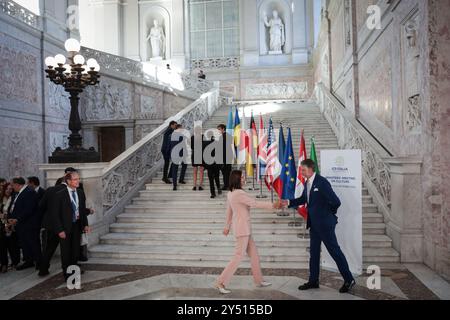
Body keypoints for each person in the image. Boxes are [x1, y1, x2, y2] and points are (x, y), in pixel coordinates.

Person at [279, 159, 356, 293]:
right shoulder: (308, 183)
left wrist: (328, 216)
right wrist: (288, 202)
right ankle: (313, 280)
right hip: (314, 225)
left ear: (310, 169)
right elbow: (304, 199)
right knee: (314, 253)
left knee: (335, 252)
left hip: (325, 225)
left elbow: (336, 202)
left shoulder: (322, 182)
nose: (301, 172)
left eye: (303, 170)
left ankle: (349, 279)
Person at [215, 170, 277, 294]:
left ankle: (259, 280)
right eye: (242, 177)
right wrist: (273, 205)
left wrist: (227, 226)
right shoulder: (239, 193)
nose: (244, 178)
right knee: (238, 256)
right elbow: (254, 203)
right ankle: (221, 282)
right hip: (242, 230)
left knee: (254, 254)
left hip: (244, 229)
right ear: (237, 179)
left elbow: (229, 211)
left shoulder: (231, 193)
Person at [51, 172, 90, 280]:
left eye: (78, 179)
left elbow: (82, 210)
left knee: (75, 250)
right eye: (75, 179)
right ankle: (66, 274)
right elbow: (55, 215)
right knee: (66, 252)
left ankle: (73, 270)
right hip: (64, 228)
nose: (78, 181)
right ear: (68, 181)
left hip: (77, 226)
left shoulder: (81, 193)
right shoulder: (60, 194)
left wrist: (85, 224)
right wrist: (60, 230)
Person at [8, 177, 41, 271]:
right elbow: (13, 206)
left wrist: (17, 219)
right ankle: (28, 261)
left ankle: (39, 262)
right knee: (24, 243)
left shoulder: (29, 192)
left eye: (12, 184)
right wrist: (11, 217)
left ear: (18, 184)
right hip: (20, 223)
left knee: (33, 243)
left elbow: (29, 209)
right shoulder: (16, 193)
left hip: (29, 224)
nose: (12, 186)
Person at [38, 177, 65, 277]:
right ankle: (69, 269)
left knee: (49, 248)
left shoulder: (49, 190)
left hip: (50, 224)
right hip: (64, 224)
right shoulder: (69, 190)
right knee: (67, 249)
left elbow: (41, 205)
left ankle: (43, 269)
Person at [0, 183, 20, 272]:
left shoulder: (14, 199)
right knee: (2, 246)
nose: (9, 190)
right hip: (1, 225)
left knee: (13, 245)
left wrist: (10, 223)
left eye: (11, 189)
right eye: (7, 189)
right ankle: (4, 264)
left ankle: (15, 262)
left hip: (12, 225)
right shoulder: (1, 199)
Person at [169, 124, 188, 191]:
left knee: (175, 169)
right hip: (181, 154)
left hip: (173, 154)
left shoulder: (170, 136)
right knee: (184, 165)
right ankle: (181, 179)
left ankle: (175, 185)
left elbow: (169, 146)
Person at [204, 133, 221, 199]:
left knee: (211, 179)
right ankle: (218, 188)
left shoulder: (205, 144)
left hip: (210, 164)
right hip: (215, 164)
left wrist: (205, 165)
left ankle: (213, 193)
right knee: (216, 177)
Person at [217, 124, 234, 190]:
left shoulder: (223, 137)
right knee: (228, 172)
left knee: (225, 172)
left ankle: (226, 185)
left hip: (225, 157)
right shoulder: (228, 136)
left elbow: (223, 148)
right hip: (228, 156)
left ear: (223, 129)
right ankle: (228, 185)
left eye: (219, 129)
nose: (218, 131)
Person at [191, 125, 205, 191]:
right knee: (201, 171)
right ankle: (200, 186)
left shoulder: (192, 137)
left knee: (195, 171)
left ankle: (194, 186)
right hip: (201, 154)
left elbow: (191, 147)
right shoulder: (203, 137)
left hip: (195, 154)